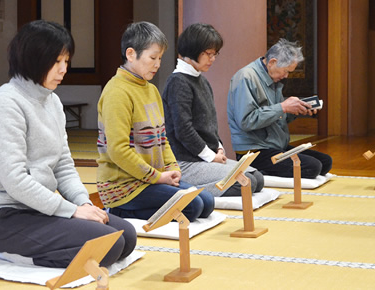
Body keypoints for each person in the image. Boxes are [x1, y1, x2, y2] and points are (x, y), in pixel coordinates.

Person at [0, 20, 136, 268]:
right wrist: (70, 212)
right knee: (109, 245)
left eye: (66, 61)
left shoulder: (53, 102)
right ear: (33, 59)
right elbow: (15, 180)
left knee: (126, 236)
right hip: (5, 218)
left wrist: (83, 203)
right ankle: (15, 254)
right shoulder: (5, 103)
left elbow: (63, 166)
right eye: (56, 62)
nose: (63, 70)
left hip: (39, 210)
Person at [96, 21, 214, 222]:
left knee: (207, 202)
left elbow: (162, 138)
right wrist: (157, 177)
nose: (158, 64)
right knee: (193, 207)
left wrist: (172, 168)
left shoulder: (150, 90)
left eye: (160, 58)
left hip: (152, 179)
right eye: (153, 57)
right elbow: (118, 150)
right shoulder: (117, 91)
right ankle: (119, 212)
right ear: (131, 54)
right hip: (125, 186)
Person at [162, 23, 264, 197]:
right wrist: (210, 157)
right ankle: (188, 191)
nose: (213, 59)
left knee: (257, 178)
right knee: (246, 182)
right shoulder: (178, 82)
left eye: (215, 54)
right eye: (208, 54)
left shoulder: (201, 80)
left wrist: (219, 148)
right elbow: (183, 130)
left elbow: (210, 123)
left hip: (206, 157)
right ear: (193, 50)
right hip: (186, 161)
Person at [227, 38, 332, 179]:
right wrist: (283, 107)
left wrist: (296, 110)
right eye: (285, 71)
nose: (286, 76)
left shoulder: (273, 78)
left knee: (325, 162)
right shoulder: (246, 77)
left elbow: (278, 117)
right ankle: (257, 171)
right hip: (255, 151)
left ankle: (269, 170)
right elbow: (246, 121)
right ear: (272, 62)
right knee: (313, 167)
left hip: (274, 146)